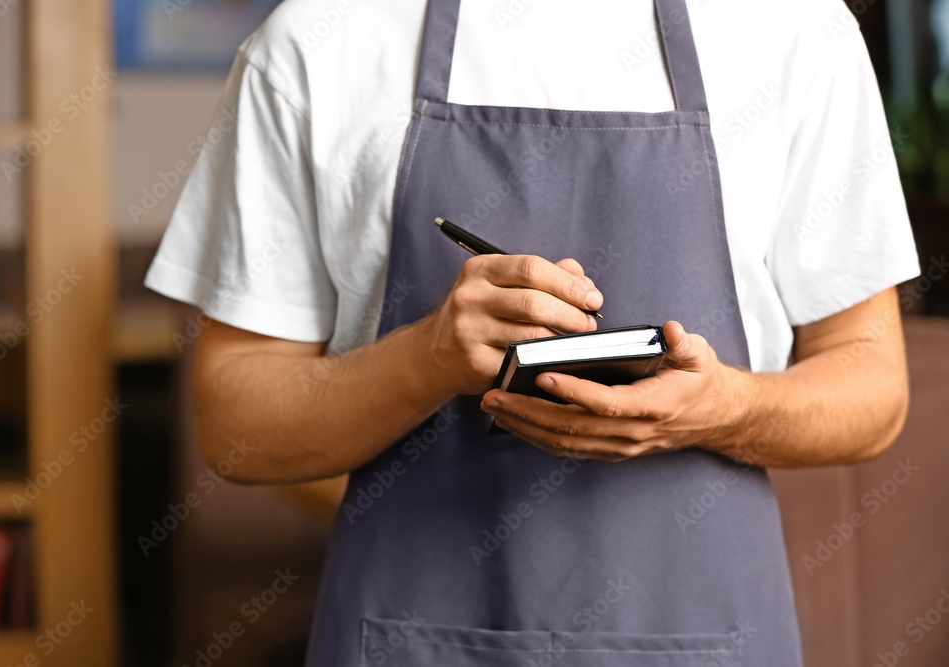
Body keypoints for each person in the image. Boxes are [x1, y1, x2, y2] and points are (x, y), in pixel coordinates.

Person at [145, 0, 920, 664]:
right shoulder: (319, 42)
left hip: (705, 637)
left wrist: (727, 410)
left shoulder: (792, 33)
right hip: (411, 638)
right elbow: (235, 418)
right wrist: (428, 357)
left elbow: (872, 387)